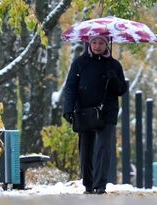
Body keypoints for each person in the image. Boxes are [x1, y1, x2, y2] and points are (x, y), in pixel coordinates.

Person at [63, 35, 128, 194]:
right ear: (88, 43)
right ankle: (88, 183)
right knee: (86, 149)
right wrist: (68, 109)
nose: (98, 46)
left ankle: (100, 185)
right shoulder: (79, 63)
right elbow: (70, 87)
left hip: (107, 112)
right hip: (85, 111)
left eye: (101, 43)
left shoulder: (114, 65)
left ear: (107, 44)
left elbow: (122, 90)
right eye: (94, 42)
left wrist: (114, 80)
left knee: (103, 148)